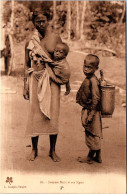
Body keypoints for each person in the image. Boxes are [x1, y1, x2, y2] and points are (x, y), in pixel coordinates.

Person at [23, 8, 68, 162]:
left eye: (43, 21)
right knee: (34, 115)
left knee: (53, 116)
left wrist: (63, 79)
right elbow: (26, 64)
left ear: (48, 20)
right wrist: (25, 85)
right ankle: (34, 149)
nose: (41, 24)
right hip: (35, 80)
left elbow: (63, 60)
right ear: (33, 22)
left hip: (52, 81)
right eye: (38, 21)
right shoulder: (30, 41)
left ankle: (52, 150)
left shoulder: (55, 38)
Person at [76, 54, 102, 164]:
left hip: (92, 110)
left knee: (91, 132)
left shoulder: (93, 81)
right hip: (90, 109)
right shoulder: (90, 78)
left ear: (96, 69)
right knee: (94, 132)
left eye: (89, 67)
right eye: (85, 66)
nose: (86, 69)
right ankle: (98, 156)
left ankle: (89, 157)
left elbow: (96, 98)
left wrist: (91, 115)